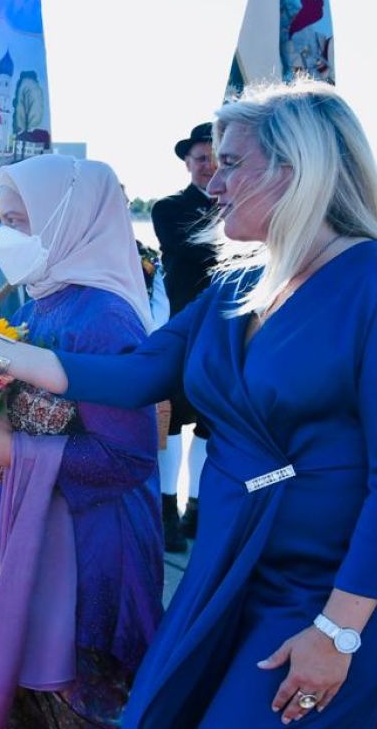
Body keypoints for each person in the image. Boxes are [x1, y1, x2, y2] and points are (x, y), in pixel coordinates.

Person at [0, 79, 377, 728]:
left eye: (231, 162)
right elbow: (140, 374)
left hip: (324, 589)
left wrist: (339, 632)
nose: (213, 182)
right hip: (223, 566)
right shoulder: (240, 283)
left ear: (296, 170)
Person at [0, 155, 162, 728]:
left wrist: (15, 450)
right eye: (1, 220)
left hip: (78, 558)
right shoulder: (38, 302)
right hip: (22, 537)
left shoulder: (104, 317)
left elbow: (128, 457)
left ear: (69, 220)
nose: (4, 237)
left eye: (19, 221)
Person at [149, 122, 218, 552]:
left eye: (217, 157)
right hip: (182, 329)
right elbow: (197, 249)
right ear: (188, 163)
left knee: (213, 425)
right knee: (170, 423)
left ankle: (196, 508)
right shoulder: (169, 208)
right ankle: (166, 509)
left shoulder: (244, 203)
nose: (209, 167)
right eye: (201, 159)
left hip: (230, 330)